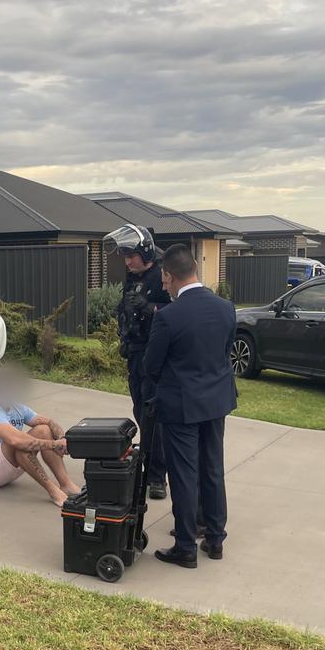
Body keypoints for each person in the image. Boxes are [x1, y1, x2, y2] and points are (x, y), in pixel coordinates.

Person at [142, 243, 237, 569]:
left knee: (184, 474)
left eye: (164, 279)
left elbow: (151, 367)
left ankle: (185, 546)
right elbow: (224, 352)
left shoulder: (168, 317)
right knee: (213, 469)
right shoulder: (226, 307)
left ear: (168, 275)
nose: (163, 285)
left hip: (181, 405)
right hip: (216, 401)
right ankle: (215, 538)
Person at [103, 223, 172, 499]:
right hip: (135, 353)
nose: (127, 261)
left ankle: (157, 477)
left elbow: (177, 310)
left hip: (154, 356)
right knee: (141, 413)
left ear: (144, 252)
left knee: (153, 417)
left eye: (131, 255)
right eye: (124, 256)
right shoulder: (133, 277)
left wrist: (151, 308)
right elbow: (128, 311)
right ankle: (146, 466)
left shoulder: (162, 276)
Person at [0, 365, 81, 506]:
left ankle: (66, 484)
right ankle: (53, 491)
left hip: (6, 465)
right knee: (18, 443)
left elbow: (49, 422)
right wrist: (54, 444)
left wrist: (62, 438)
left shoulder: (17, 407)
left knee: (43, 430)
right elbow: (15, 441)